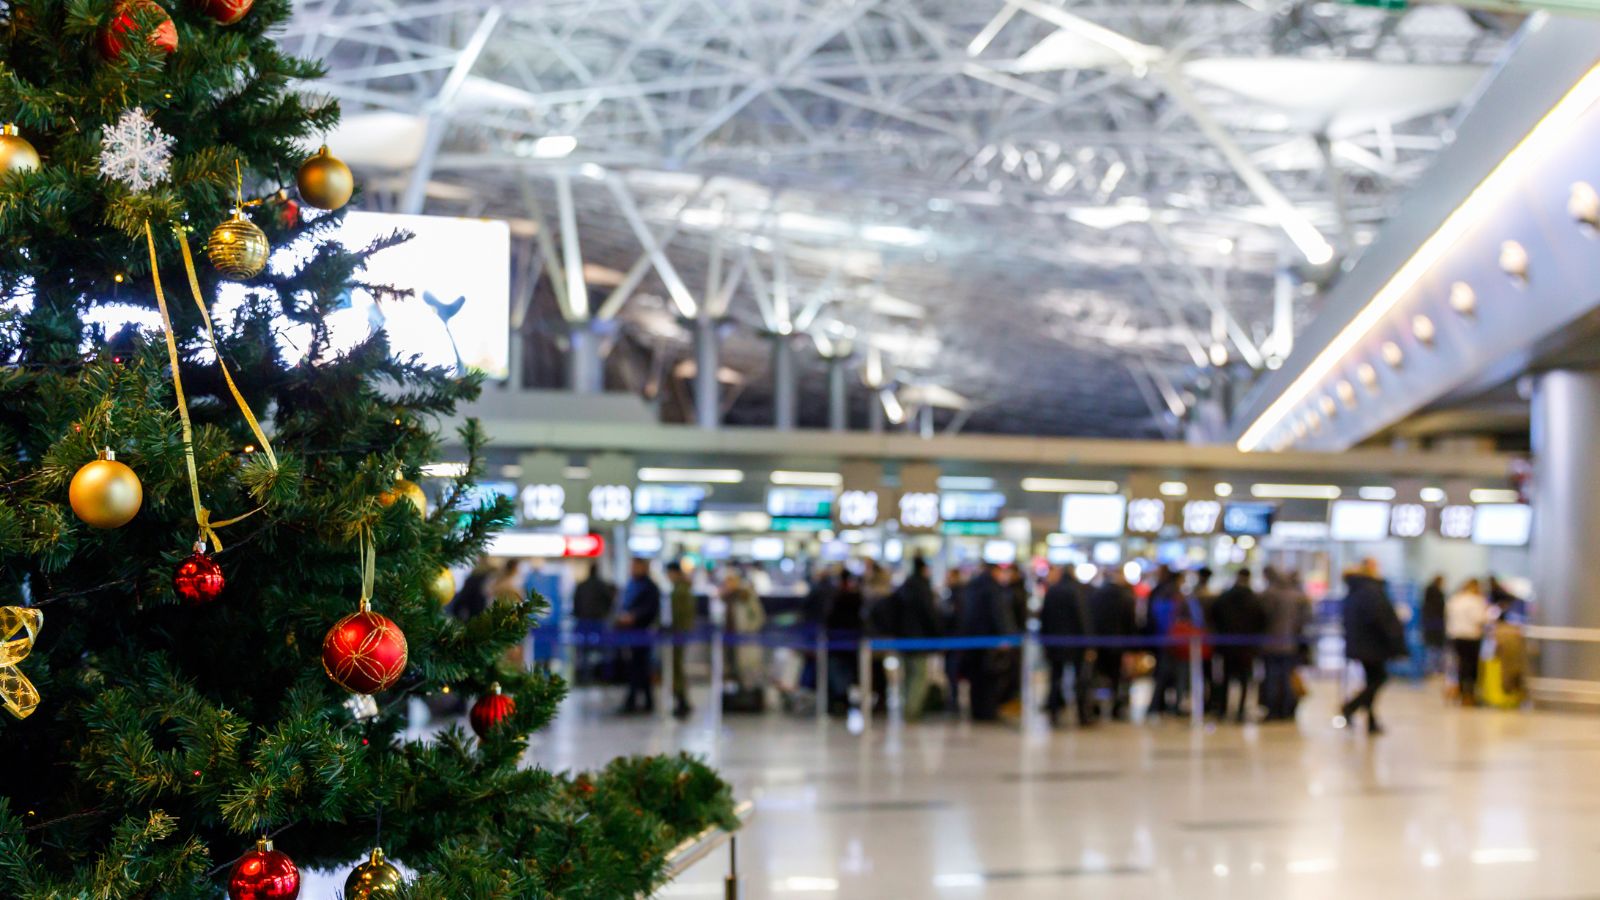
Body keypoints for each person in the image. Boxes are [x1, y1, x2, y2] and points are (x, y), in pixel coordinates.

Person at [1337, 559, 1406, 734]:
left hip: (1362, 643)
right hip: (1373, 644)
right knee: (1378, 679)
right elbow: (1383, 619)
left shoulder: (1356, 589)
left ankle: (1371, 719)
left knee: (1372, 680)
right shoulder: (1372, 591)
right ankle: (1351, 707)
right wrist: (1396, 641)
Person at [887, 556, 943, 721]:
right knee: (919, 675)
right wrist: (937, 634)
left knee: (907, 675)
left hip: (903, 638)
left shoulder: (905, 586)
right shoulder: (922, 588)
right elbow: (929, 615)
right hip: (918, 639)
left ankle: (906, 708)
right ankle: (912, 712)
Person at [1209, 568, 1268, 723]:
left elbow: (1214, 616)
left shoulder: (1225, 597)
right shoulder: (1254, 599)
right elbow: (1262, 621)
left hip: (1226, 644)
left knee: (1225, 678)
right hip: (1247, 646)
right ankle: (1241, 710)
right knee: (1244, 679)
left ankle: (1222, 709)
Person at [956, 562, 1012, 721]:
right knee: (989, 679)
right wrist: (1005, 636)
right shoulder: (993, 589)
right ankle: (988, 712)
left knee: (976, 679)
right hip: (990, 641)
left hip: (972, 640)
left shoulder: (972, 587)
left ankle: (976, 710)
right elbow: (998, 614)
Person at [1040, 564, 1092, 727]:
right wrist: (1088, 643)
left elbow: (1044, 617)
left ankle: (1054, 711)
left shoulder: (1053, 590)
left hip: (1055, 643)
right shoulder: (1077, 591)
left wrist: (1045, 641)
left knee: (1056, 678)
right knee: (1080, 680)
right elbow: (1082, 618)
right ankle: (1082, 715)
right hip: (1075, 643)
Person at [1259, 567, 1311, 721]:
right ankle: (1288, 709)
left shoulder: (1268, 595)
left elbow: (1262, 617)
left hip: (1269, 643)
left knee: (1271, 677)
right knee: (1288, 677)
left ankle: (1273, 710)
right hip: (1291, 644)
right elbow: (1306, 620)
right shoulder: (1299, 597)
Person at [1087, 565, 1137, 721]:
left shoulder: (1096, 595)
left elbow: (1091, 620)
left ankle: (1096, 708)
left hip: (1099, 643)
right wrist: (1131, 648)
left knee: (1098, 676)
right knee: (1118, 677)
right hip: (1119, 644)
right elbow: (1130, 623)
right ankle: (1117, 708)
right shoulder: (1126, 596)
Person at [616, 558, 662, 715]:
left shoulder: (650, 587)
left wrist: (634, 617)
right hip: (630, 633)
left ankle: (635, 701)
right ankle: (642, 701)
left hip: (643, 633)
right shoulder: (631, 585)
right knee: (637, 667)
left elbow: (651, 610)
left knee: (640, 667)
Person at [1143, 566, 1184, 718]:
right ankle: (1157, 705)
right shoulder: (1169, 593)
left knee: (1164, 673)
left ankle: (1159, 705)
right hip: (1167, 639)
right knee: (1165, 673)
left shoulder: (1158, 591)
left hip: (1160, 638)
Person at [824, 570, 864, 714]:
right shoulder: (856, 598)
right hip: (850, 643)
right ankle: (843, 701)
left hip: (837, 643)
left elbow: (828, 619)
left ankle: (838, 702)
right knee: (846, 674)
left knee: (836, 674)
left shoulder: (834, 597)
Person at [1445, 578, 1489, 706]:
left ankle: (1458, 690)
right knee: (1471, 667)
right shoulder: (1476, 601)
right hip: (1471, 637)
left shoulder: (1455, 600)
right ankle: (1469, 695)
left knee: (1460, 665)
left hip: (1455, 636)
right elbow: (1480, 619)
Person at [723, 569, 767, 695]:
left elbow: (758, 617)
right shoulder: (728, 598)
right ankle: (737, 693)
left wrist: (748, 630)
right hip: (731, 639)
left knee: (749, 668)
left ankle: (750, 694)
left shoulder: (747, 596)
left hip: (746, 639)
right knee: (732, 667)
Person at [572, 564, 616, 684]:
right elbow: (610, 601)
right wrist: (605, 613)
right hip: (598, 621)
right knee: (605, 651)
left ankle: (583, 678)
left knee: (583, 652)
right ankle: (605, 677)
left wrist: (579, 614)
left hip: (583, 621)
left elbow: (575, 603)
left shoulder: (581, 586)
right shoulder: (602, 586)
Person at [665, 562, 696, 719]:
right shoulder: (683, 588)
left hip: (679, 634)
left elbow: (679, 615)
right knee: (677, 668)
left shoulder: (680, 591)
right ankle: (681, 700)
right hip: (680, 633)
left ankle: (681, 701)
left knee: (677, 668)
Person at [1421, 574, 1447, 675]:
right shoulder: (1438, 596)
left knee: (1430, 647)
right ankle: (1434, 668)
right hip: (1436, 624)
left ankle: (1429, 668)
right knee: (1436, 647)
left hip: (1428, 623)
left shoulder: (1427, 597)